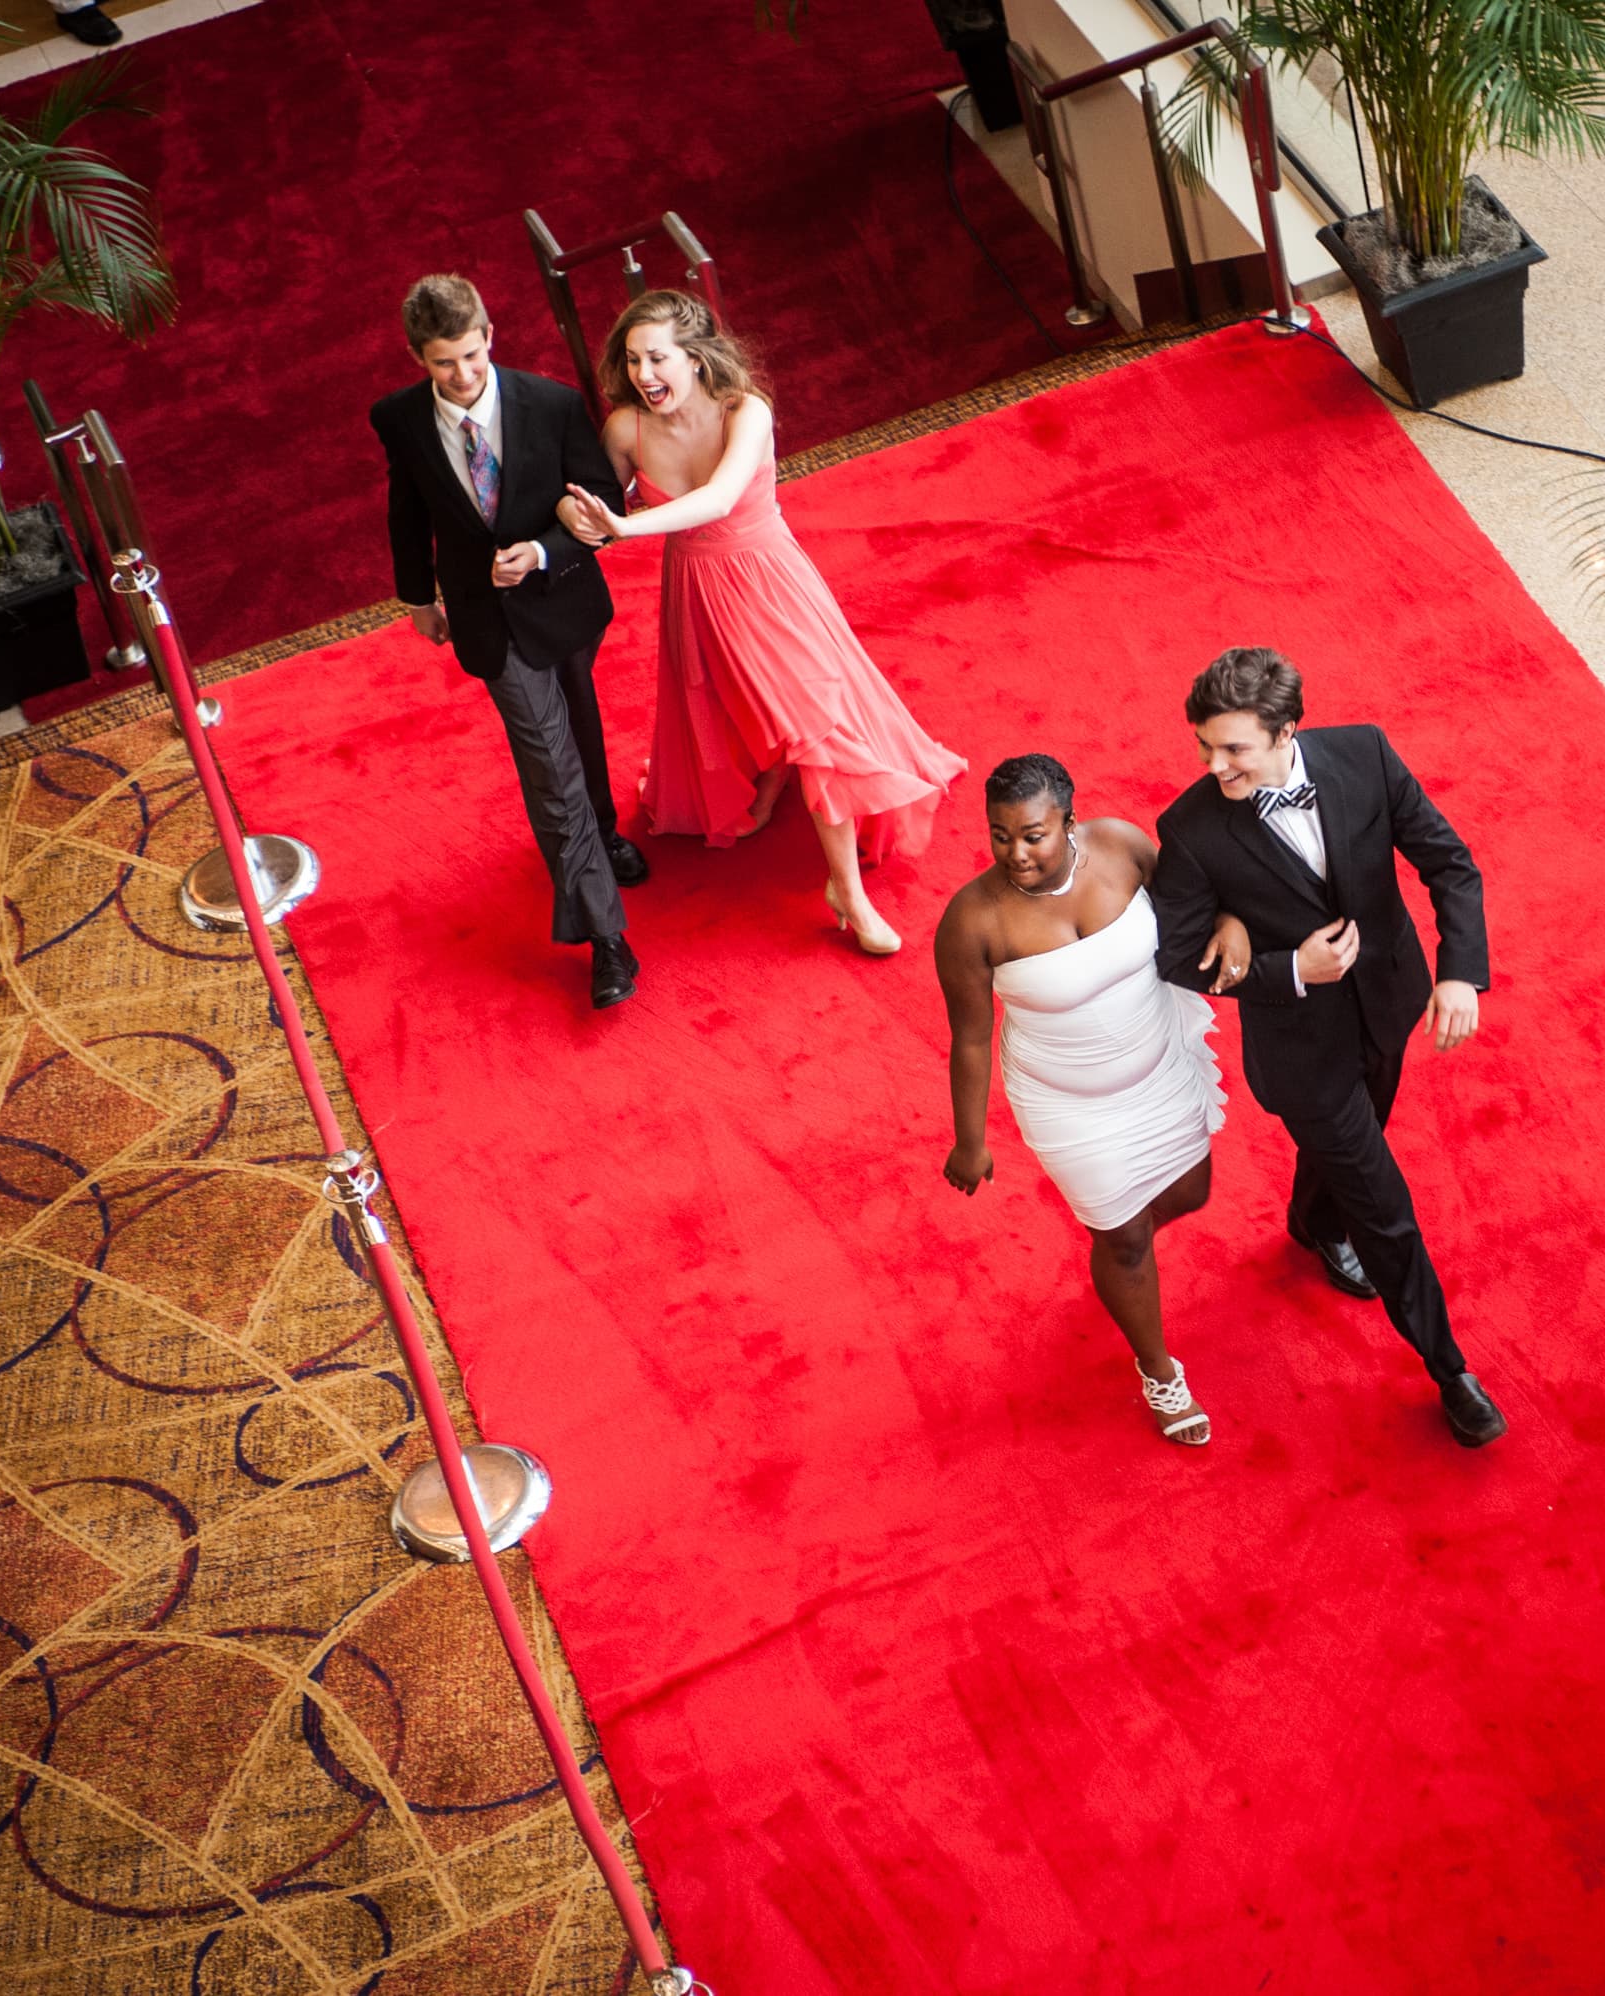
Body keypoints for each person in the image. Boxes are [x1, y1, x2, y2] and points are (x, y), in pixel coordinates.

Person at [1148, 647, 1505, 1448]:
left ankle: (1312, 1226)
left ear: (1287, 731)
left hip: (1389, 1005)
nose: (1217, 766)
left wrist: (1460, 976)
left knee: (1351, 1155)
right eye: (1206, 746)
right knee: (1383, 1202)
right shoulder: (1194, 827)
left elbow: (1449, 863)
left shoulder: (1365, 753)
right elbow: (1174, 955)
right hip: (1300, 1053)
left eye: (1234, 748)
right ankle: (1451, 1371)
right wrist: (1288, 970)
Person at [558, 288, 963, 956]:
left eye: (657, 358)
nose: (643, 375)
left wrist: (625, 528)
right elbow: (593, 511)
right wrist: (581, 518)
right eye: (632, 361)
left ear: (695, 357)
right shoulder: (625, 430)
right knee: (731, 704)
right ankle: (771, 775)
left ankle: (847, 894)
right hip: (696, 588)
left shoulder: (746, 410)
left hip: (771, 583)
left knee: (817, 728)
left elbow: (718, 499)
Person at [935, 755, 1247, 1446]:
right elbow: (973, 1041)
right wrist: (970, 1140)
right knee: (1126, 1236)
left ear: (1070, 823)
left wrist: (1232, 921)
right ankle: (1158, 1365)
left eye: (1034, 835)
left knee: (1190, 1193)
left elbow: (1191, 902)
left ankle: (1117, 1263)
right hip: (1067, 1103)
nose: (1015, 853)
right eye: (999, 835)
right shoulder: (972, 921)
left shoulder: (1121, 845)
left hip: (1161, 1061)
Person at [370, 275, 646, 1010]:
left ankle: (606, 832)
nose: (461, 376)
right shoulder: (397, 418)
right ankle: (605, 937)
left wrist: (545, 551)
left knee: (579, 723)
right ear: (416, 359)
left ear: (489, 334)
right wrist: (416, 596)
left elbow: (603, 501)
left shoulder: (551, 404)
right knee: (547, 760)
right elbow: (407, 506)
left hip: (565, 600)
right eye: (441, 364)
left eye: (469, 355)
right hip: (485, 617)